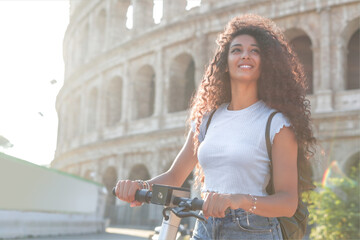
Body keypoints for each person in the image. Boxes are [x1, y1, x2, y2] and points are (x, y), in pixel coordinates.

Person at [115, 14, 316, 239]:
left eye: (255, 51)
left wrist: (238, 199)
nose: (245, 55)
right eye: (237, 50)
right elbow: (174, 176)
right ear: (225, 64)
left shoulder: (277, 123)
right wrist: (138, 186)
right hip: (205, 225)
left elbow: (287, 202)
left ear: (265, 64)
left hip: (255, 229)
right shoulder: (207, 119)